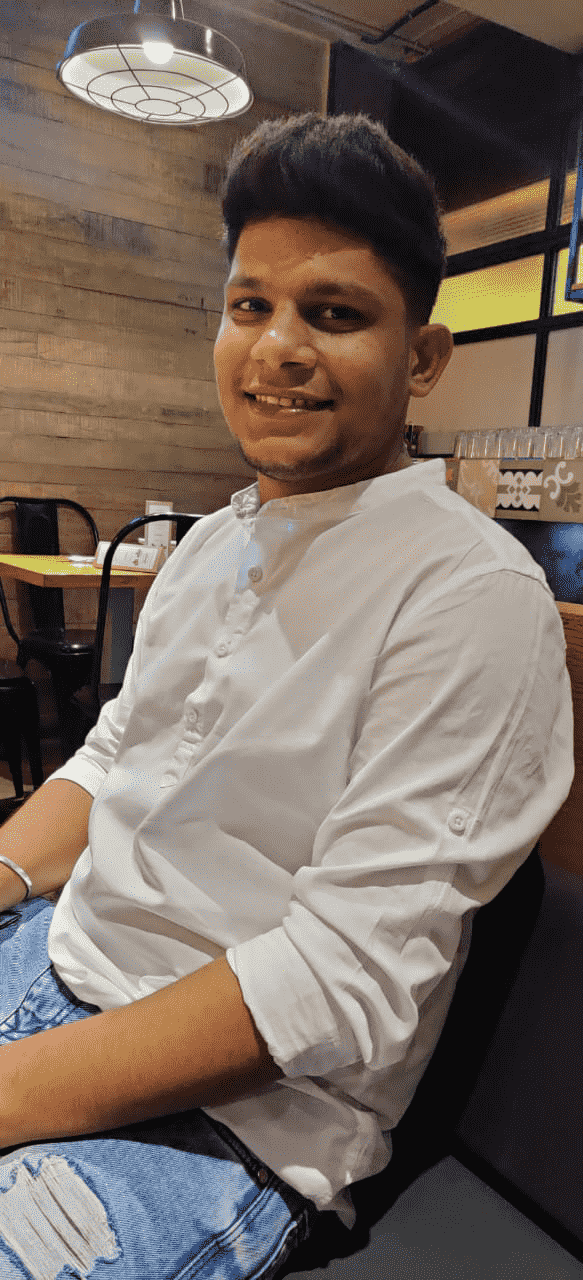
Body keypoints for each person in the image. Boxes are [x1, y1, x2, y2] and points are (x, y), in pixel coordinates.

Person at [0, 111, 573, 1279]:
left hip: (235, 1118)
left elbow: (336, 974)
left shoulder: (469, 593)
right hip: (49, 955)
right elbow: (111, 758)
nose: (277, 347)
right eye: (250, 304)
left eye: (334, 313)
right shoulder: (209, 542)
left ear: (422, 357)